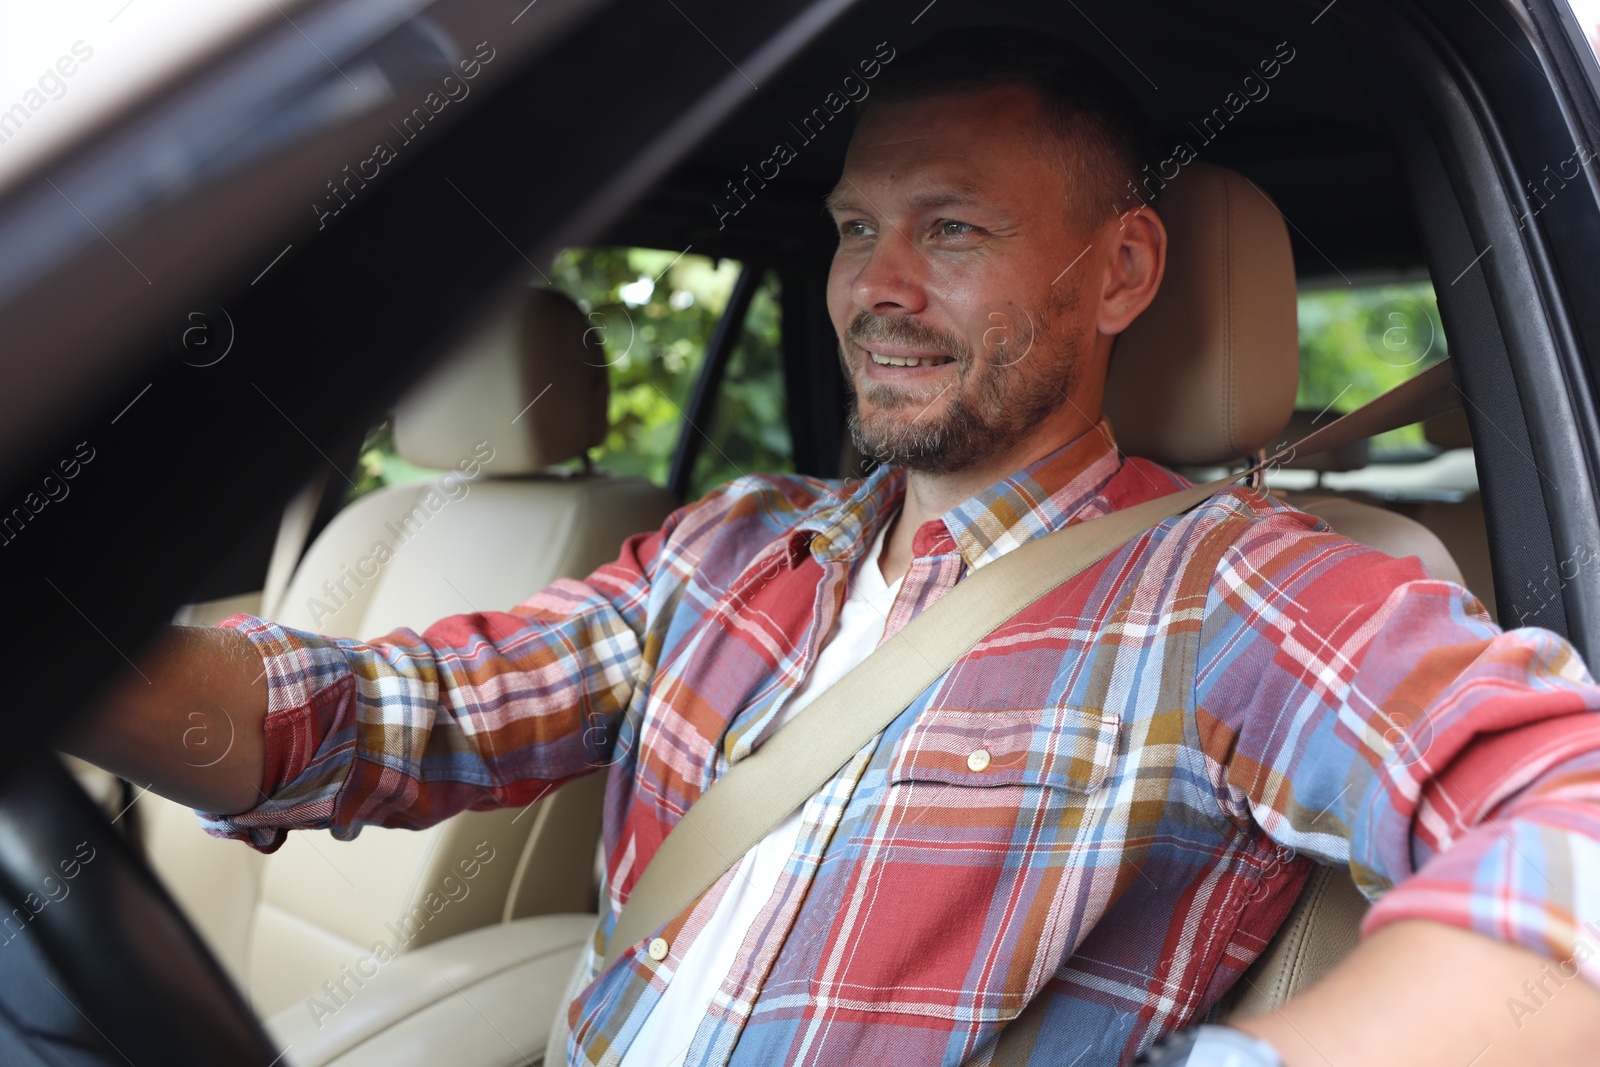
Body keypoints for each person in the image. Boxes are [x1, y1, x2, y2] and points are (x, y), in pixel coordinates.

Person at [72, 29, 1600, 1067]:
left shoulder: (1236, 587)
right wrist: (55, 654)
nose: (875, 287)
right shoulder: (735, 547)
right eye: (857, 230)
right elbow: (384, 717)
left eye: (952, 232)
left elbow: (1569, 811)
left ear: (1123, 270)